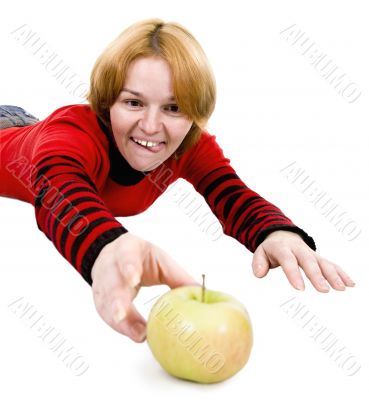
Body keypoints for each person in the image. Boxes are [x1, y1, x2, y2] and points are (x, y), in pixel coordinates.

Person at [0, 18, 355, 343]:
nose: (152, 127)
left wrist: (275, 231)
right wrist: (104, 248)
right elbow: (59, 189)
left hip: (26, 123)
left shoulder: (189, 145)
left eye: (173, 108)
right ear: (108, 103)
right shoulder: (72, 133)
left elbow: (231, 193)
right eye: (133, 103)